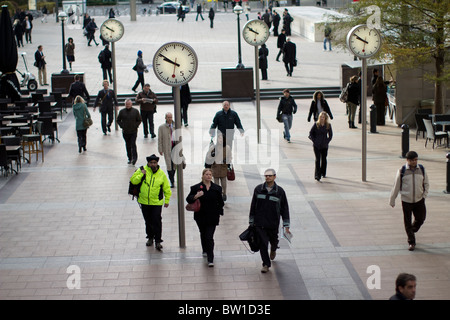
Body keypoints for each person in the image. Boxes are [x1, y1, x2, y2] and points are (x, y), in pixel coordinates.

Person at [249, 168, 290, 273]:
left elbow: (284, 208)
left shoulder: (280, 191)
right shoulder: (258, 189)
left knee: (274, 240)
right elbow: (253, 205)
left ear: (274, 177)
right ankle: (266, 264)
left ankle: (273, 249)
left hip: (272, 223)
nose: (267, 177)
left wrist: (286, 224)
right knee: (263, 243)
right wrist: (251, 221)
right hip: (260, 223)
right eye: (266, 175)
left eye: (270, 175)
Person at [130, 154, 171, 251]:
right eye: (151, 163)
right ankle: (150, 237)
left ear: (157, 163)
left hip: (156, 202)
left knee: (157, 221)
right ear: (148, 163)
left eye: (155, 163)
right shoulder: (141, 170)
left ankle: (158, 241)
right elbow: (133, 181)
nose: (153, 164)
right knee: (148, 221)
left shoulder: (161, 174)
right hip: (144, 202)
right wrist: (141, 174)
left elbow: (166, 188)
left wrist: (167, 200)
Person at [389, 151, 429, 251]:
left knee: (421, 218)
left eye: (416, 160)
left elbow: (426, 183)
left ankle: (411, 230)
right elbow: (396, 186)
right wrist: (392, 200)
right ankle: (411, 242)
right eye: (412, 160)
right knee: (407, 221)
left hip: (419, 200)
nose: (414, 162)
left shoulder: (422, 169)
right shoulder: (402, 171)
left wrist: (424, 195)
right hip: (406, 200)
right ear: (407, 160)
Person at [186, 168, 224, 267]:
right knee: (203, 233)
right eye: (206, 174)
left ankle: (210, 259)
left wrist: (219, 212)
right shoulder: (196, 188)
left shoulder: (217, 188)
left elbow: (221, 202)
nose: (208, 176)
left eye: (210, 174)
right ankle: (205, 249)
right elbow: (188, 199)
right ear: (203, 175)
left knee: (209, 237)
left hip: (212, 217)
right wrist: (196, 196)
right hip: (200, 216)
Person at [158, 112, 185, 188]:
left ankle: (172, 177)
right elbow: (160, 139)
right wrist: (160, 149)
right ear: (165, 118)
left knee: (175, 165)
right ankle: (172, 180)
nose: (170, 119)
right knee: (169, 165)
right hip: (167, 148)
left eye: (171, 117)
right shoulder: (161, 127)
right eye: (168, 117)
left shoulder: (176, 126)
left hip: (175, 148)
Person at [205, 134, 232, 201]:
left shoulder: (227, 148)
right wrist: (212, 155)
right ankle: (217, 195)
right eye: (219, 138)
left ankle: (224, 194)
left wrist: (227, 160)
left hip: (223, 168)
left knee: (224, 183)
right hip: (215, 168)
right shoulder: (213, 147)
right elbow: (208, 157)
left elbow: (230, 157)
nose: (221, 140)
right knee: (216, 184)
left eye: (222, 139)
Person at [309, 111, 333, 181]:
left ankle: (323, 172)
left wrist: (327, 141)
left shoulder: (328, 125)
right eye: (321, 117)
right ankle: (317, 175)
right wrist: (314, 140)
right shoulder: (316, 124)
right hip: (317, 145)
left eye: (323, 117)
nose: (322, 118)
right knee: (317, 159)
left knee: (324, 159)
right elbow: (311, 133)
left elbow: (330, 135)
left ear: (325, 118)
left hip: (324, 145)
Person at [117, 99, 142, 165]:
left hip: (133, 131)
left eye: (129, 104)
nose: (127, 105)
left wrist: (135, 126)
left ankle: (134, 158)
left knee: (133, 144)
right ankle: (130, 158)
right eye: (126, 104)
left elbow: (139, 120)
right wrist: (122, 126)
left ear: (131, 104)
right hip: (125, 132)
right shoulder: (122, 112)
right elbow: (118, 120)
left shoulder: (135, 111)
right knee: (128, 145)